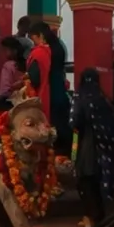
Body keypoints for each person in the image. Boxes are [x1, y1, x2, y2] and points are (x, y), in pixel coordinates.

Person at [70, 67, 114, 227]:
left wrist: (73, 149)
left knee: (85, 182)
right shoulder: (104, 99)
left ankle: (91, 218)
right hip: (106, 151)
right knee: (99, 183)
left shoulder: (79, 96)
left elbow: (74, 122)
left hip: (86, 147)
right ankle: (100, 217)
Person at [27, 21, 72, 155]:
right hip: (60, 88)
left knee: (51, 124)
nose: (33, 42)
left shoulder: (42, 52)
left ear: (39, 35)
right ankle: (67, 154)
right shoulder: (59, 46)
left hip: (48, 89)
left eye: (33, 38)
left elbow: (36, 76)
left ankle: (53, 155)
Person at [0, 36, 27, 103]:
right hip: (24, 100)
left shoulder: (8, 65)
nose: (4, 53)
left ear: (14, 51)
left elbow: (4, 90)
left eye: (5, 50)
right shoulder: (26, 63)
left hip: (10, 101)